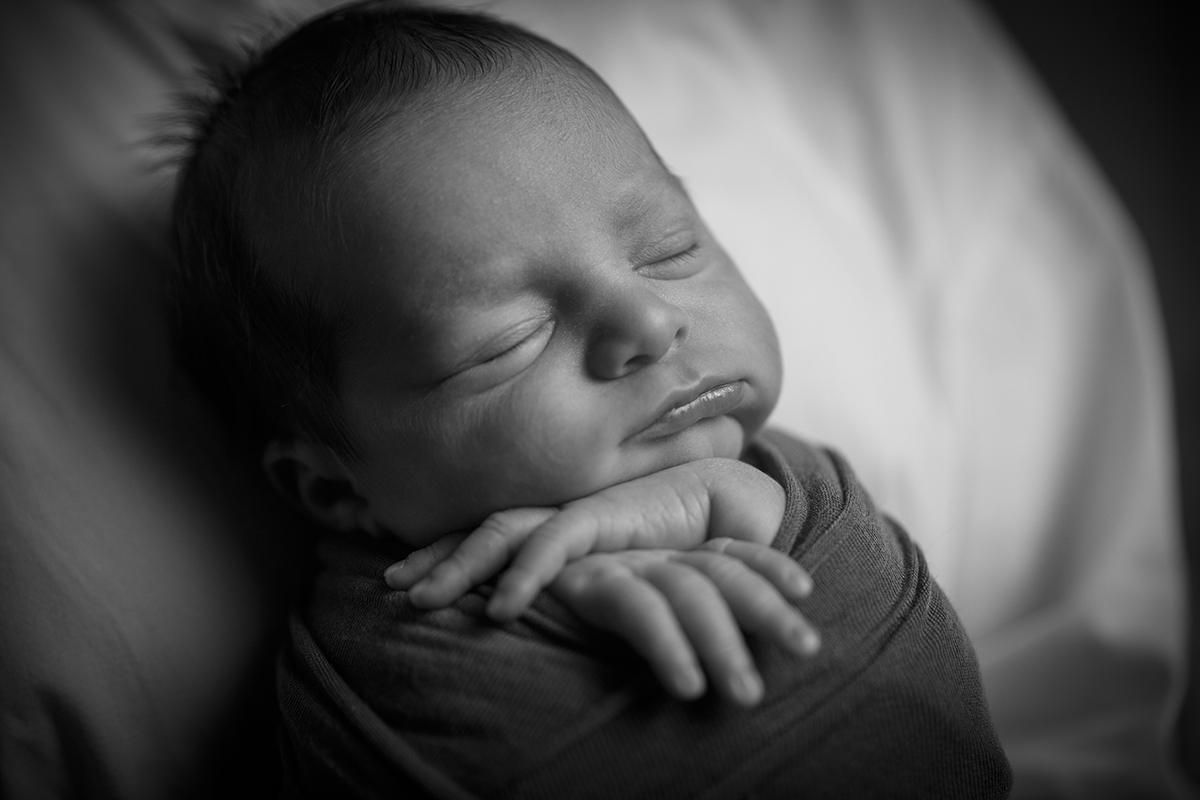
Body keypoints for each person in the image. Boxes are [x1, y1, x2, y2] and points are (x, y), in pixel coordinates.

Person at [167, 2, 1013, 796]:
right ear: (335, 487)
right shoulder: (388, 656)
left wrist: (750, 503)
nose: (648, 322)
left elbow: (946, 725)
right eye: (507, 339)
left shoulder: (786, 482)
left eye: (669, 249)